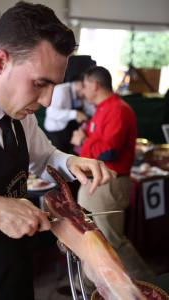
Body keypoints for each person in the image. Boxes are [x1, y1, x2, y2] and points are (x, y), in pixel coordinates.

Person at [0, 3, 116, 300]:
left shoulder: (19, 112)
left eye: (53, 86)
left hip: (15, 268)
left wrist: (72, 161)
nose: (48, 101)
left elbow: (44, 157)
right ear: (0, 62)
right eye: (40, 84)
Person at [71, 66, 155, 293]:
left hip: (108, 183)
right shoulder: (102, 109)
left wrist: (83, 140)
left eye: (85, 84)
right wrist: (84, 139)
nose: (82, 89)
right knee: (91, 237)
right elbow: (96, 143)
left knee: (111, 240)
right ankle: (90, 287)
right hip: (94, 183)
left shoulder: (118, 109)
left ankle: (150, 285)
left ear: (94, 85)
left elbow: (109, 152)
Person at [44, 77, 95, 153]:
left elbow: (89, 108)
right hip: (55, 134)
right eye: (86, 89)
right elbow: (51, 112)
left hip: (69, 133)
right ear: (79, 84)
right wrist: (75, 114)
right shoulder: (61, 90)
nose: (86, 92)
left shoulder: (81, 95)